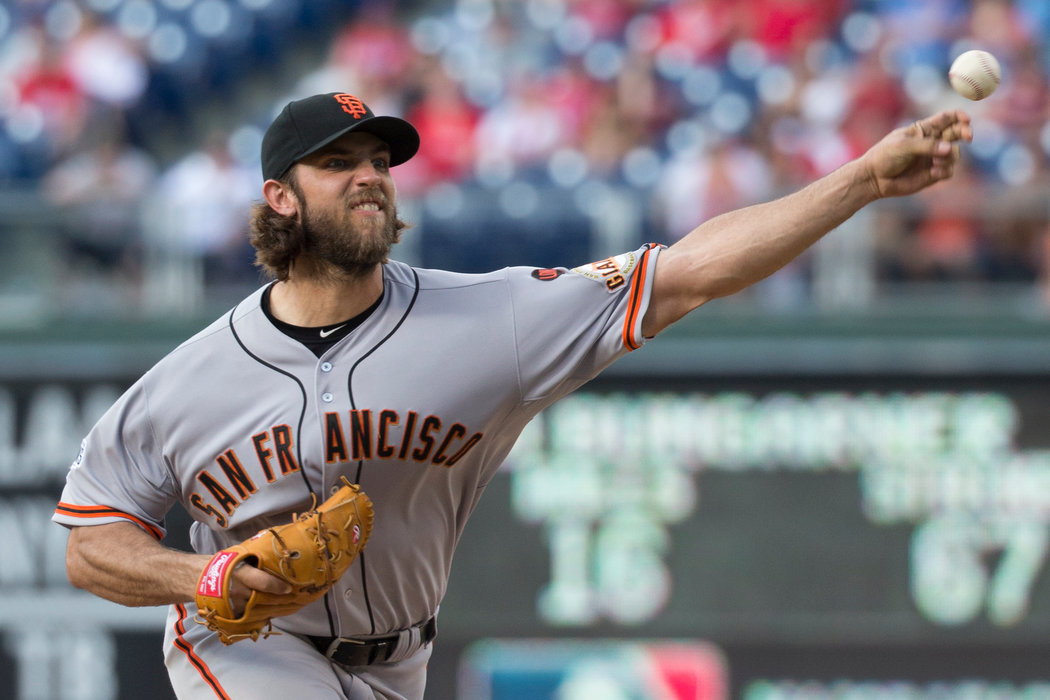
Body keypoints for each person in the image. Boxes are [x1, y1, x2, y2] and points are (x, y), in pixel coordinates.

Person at [52, 91, 972, 700]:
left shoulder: (495, 320)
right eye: (340, 162)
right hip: (248, 651)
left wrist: (858, 182)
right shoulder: (189, 379)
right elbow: (91, 545)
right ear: (278, 199)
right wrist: (203, 575)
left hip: (401, 660)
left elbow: (689, 273)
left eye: (380, 158)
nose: (371, 174)